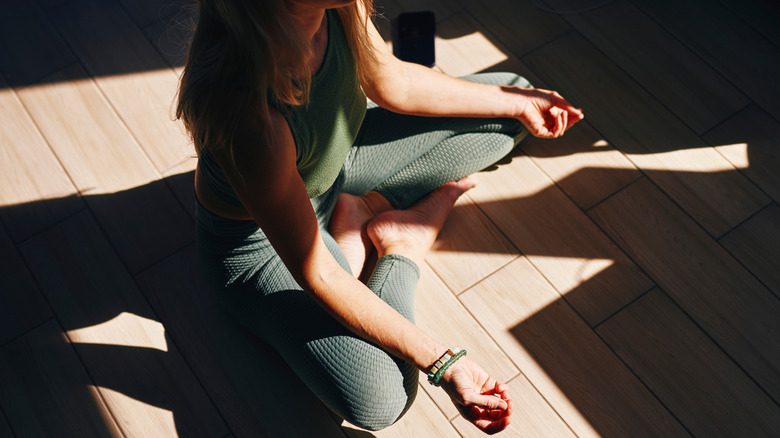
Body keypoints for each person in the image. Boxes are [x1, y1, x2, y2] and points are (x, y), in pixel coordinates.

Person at [176, 0, 583, 433]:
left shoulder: (338, 8)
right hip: (263, 249)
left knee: (514, 101)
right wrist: (444, 363)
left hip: (337, 160)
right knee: (382, 396)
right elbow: (320, 275)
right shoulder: (248, 115)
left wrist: (517, 103)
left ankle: (363, 210)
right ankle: (402, 245)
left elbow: (397, 84)